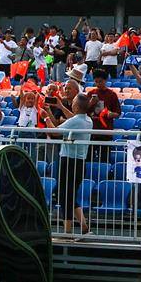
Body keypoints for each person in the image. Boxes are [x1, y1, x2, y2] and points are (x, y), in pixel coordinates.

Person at [41, 94, 96, 235]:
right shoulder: (87, 120)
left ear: (76, 106)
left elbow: (54, 132)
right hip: (80, 161)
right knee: (70, 195)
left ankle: (67, 231)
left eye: (73, 103)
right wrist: (60, 106)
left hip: (69, 161)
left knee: (64, 196)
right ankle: (83, 225)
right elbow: (73, 118)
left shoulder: (75, 121)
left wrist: (46, 117)